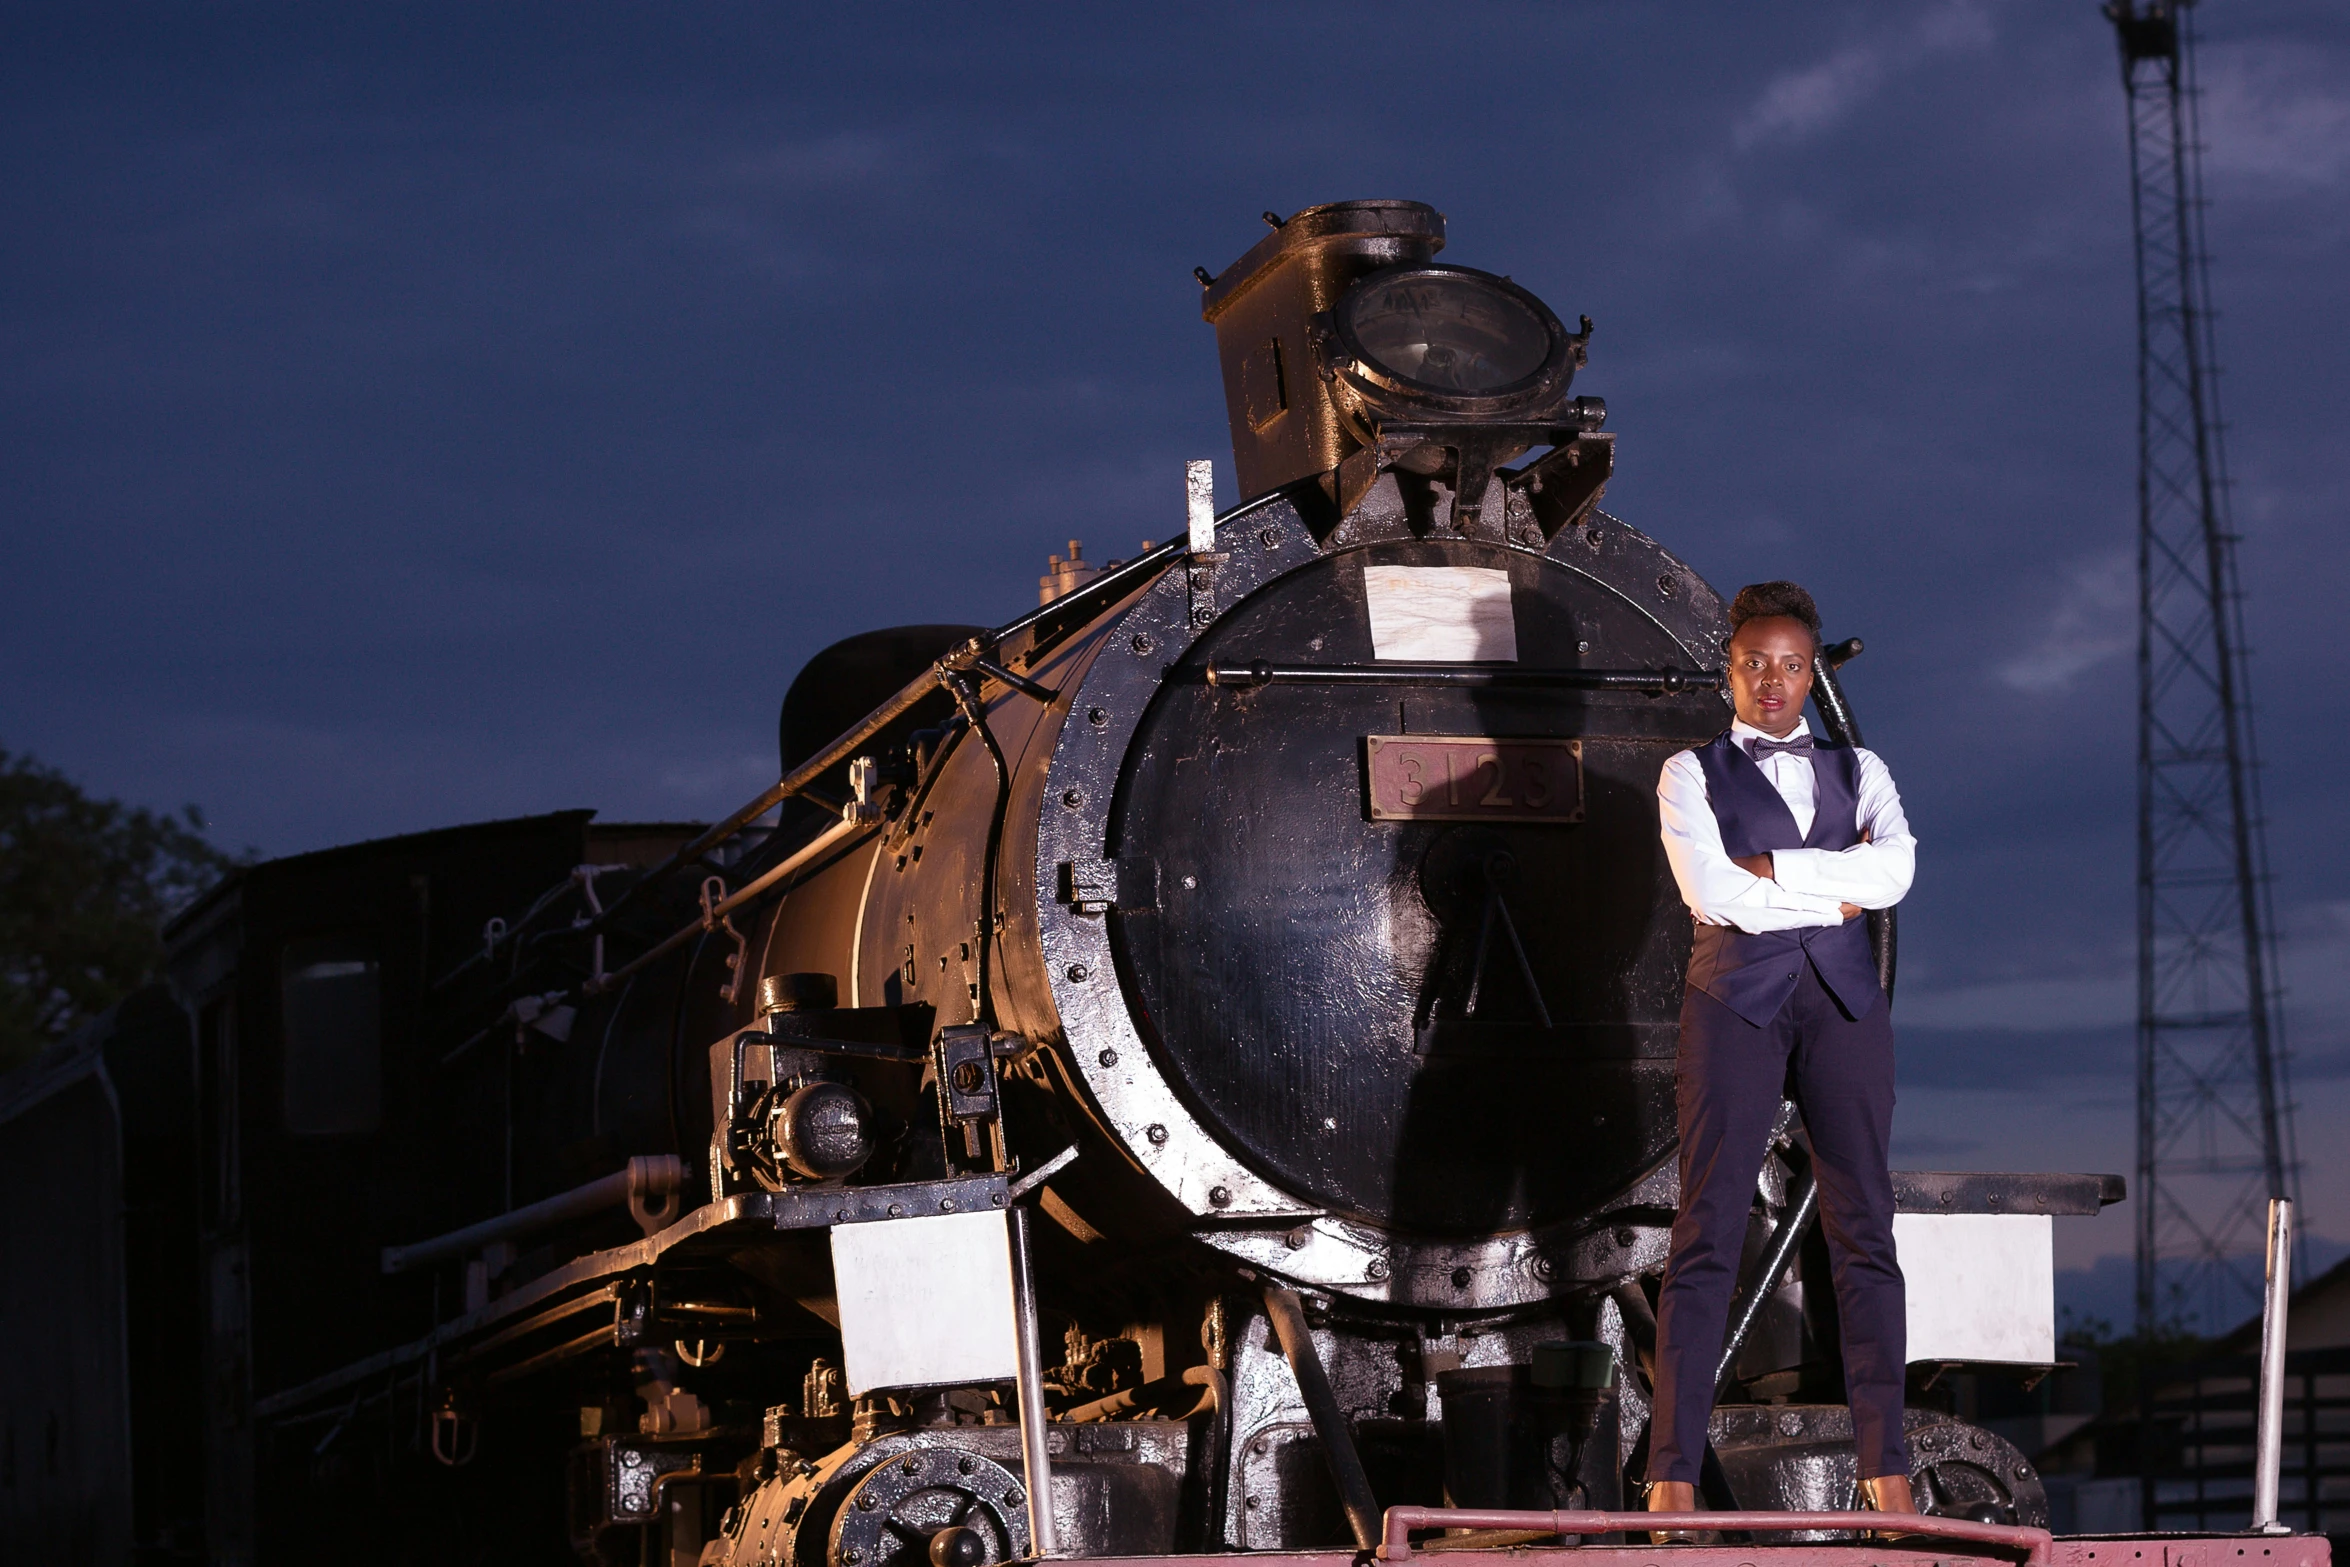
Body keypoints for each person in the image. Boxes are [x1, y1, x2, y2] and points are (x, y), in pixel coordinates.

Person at [1643, 580, 1920, 1531]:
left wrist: (1784, 873)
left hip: (1846, 1008)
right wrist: (1832, 889)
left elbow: (1897, 871)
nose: (1773, 682)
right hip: (1734, 1006)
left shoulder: (1863, 767)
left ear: (1811, 674)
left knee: (1866, 1231)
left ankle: (1890, 1469)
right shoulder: (1689, 771)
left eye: (1791, 666)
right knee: (1707, 1231)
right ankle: (1671, 1471)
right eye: (1755, 663)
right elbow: (1713, 892)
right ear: (1730, 666)